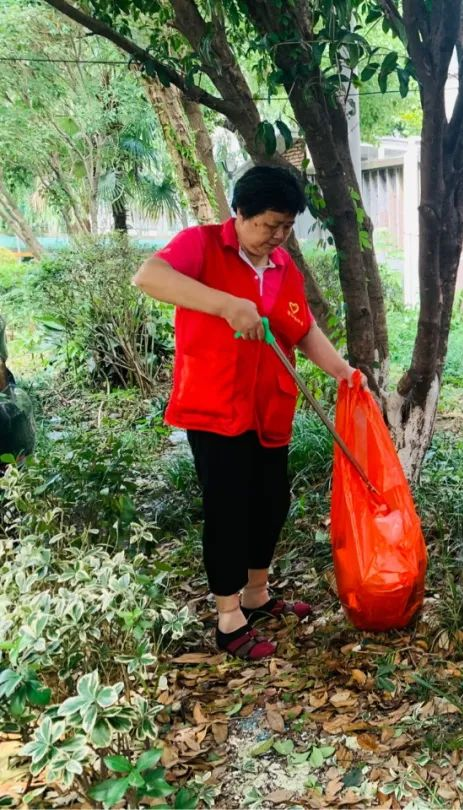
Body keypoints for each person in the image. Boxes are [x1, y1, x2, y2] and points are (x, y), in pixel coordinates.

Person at [133, 165, 361, 660]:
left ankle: (257, 594)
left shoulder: (282, 267)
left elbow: (303, 329)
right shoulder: (202, 245)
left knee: (271, 502)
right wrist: (225, 304)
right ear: (239, 212)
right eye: (269, 225)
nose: (277, 237)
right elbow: (149, 276)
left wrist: (343, 371)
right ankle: (228, 616)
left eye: (286, 227)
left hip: (269, 408)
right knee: (228, 508)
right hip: (214, 406)